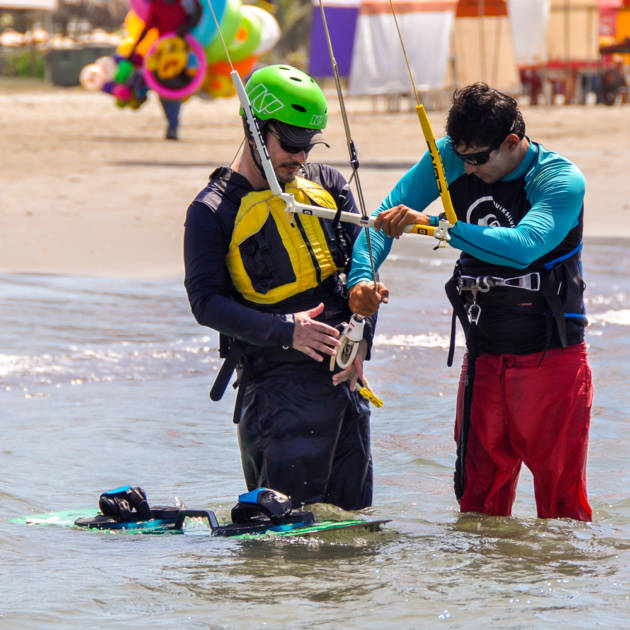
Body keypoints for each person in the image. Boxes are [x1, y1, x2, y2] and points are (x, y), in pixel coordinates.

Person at [348, 83, 593, 521]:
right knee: (477, 508)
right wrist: (362, 280)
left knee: (561, 513)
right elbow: (379, 223)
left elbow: (524, 245)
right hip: (482, 359)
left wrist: (440, 227)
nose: (466, 167)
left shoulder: (559, 180)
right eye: (459, 156)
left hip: (551, 361)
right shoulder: (451, 157)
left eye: (477, 159)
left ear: (512, 142)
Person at [184, 64, 376, 510]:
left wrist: (363, 338)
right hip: (276, 396)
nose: (300, 157)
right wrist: (288, 330)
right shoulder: (211, 210)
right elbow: (205, 302)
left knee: (353, 539)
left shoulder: (328, 185)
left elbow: (363, 271)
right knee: (283, 549)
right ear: (252, 128)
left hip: (344, 385)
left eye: (307, 145)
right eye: (289, 144)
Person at [129, 0, 202, 140]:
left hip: (182, 51)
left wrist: (185, 28)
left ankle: (173, 125)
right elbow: (147, 27)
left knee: (175, 89)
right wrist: (135, 47)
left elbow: (198, 15)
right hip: (162, 53)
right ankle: (172, 123)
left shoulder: (185, 4)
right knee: (162, 91)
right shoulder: (158, 5)